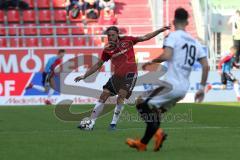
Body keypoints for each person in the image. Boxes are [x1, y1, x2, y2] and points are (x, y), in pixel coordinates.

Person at [125, 8, 209, 151]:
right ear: (188, 22)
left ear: (174, 21)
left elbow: (167, 55)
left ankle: (153, 135)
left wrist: (152, 61)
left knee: (140, 102)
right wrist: (201, 89)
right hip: (183, 89)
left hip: (170, 85)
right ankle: (148, 141)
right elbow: (206, 66)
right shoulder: (195, 42)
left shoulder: (173, 36)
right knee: (156, 111)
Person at [74, 25, 170, 130]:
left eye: (113, 35)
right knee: (104, 94)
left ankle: (113, 124)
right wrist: (84, 76)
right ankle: (91, 122)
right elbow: (98, 65)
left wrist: (160, 30)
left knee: (121, 96)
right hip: (117, 76)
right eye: (109, 35)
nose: (110, 37)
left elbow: (145, 37)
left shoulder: (128, 40)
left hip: (130, 75)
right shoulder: (107, 50)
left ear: (117, 34)